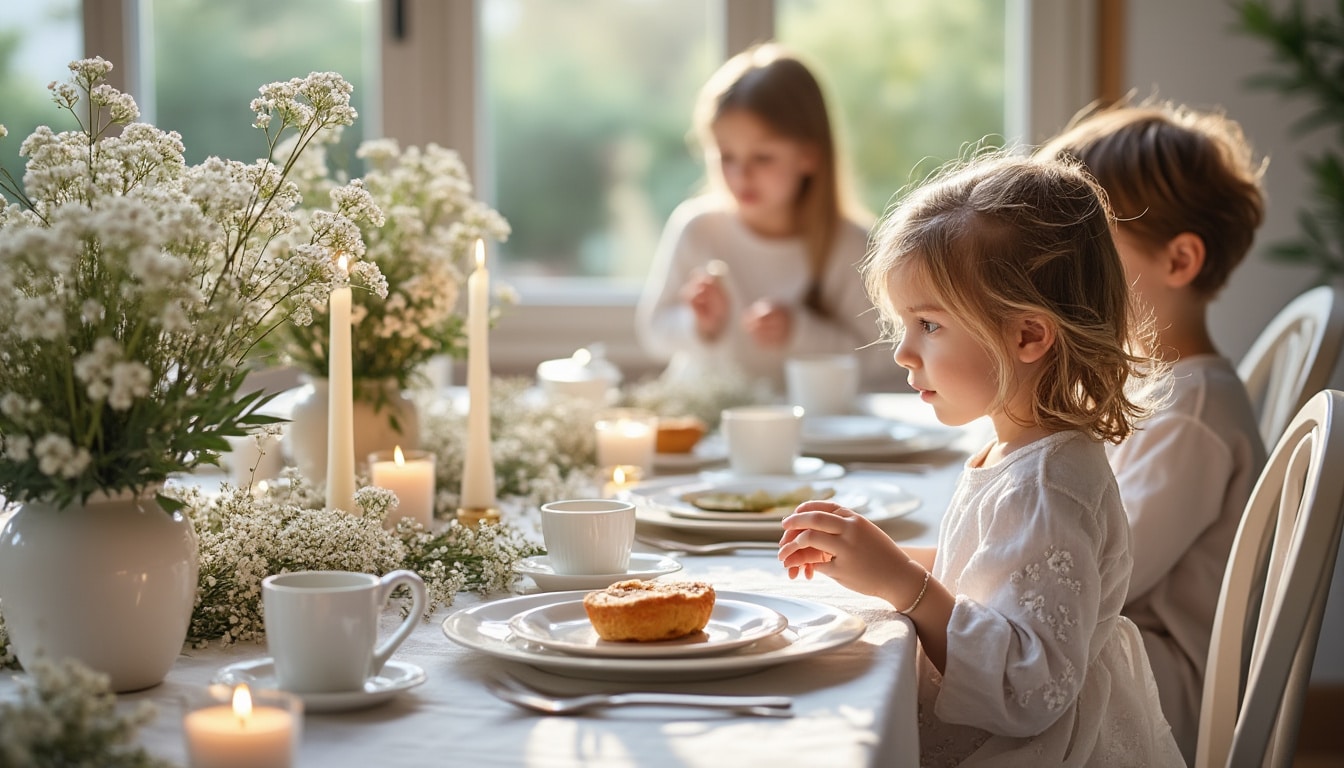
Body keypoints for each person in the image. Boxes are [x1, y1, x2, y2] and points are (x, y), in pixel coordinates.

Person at [778, 153, 1184, 766]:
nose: (904, 354)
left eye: (930, 326)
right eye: (902, 324)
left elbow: (1028, 687)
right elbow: (994, 574)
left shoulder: (1048, 486)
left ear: (1027, 336)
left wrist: (900, 583)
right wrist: (876, 554)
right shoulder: (1021, 449)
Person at [1037, 101, 1269, 762]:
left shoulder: (1193, 417)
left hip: (1161, 691)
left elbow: (1099, 571)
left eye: (1089, 253)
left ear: (1179, 260)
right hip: (1128, 650)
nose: (1066, 274)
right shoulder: (1158, 385)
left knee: (952, 664)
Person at [635, 43, 897, 393]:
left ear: (808, 156)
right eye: (726, 155)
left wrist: (798, 332)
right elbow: (654, 331)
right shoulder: (697, 229)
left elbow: (881, 356)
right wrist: (701, 326)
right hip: (708, 418)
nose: (741, 175)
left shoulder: (851, 245)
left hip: (814, 427)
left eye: (762, 157)